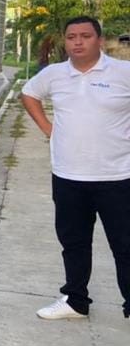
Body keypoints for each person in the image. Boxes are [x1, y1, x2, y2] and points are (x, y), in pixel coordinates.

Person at [20, 16, 130, 320]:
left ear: (99, 39)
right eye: (71, 37)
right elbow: (28, 95)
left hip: (117, 177)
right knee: (74, 242)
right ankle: (75, 301)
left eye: (85, 36)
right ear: (65, 41)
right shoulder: (55, 74)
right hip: (68, 176)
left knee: (124, 245)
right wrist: (48, 129)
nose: (78, 42)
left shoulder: (123, 72)